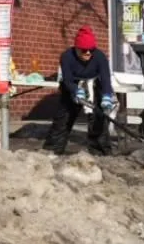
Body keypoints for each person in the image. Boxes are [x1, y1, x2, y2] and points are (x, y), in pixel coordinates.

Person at [44, 25, 115, 157]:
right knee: (63, 118)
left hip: (94, 85)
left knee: (98, 119)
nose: (88, 53)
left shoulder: (100, 57)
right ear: (76, 48)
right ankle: (52, 150)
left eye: (91, 50)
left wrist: (106, 96)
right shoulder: (67, 56)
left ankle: (100, 152)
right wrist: (75, 91)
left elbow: (105, 78)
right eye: (84, 50)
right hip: (73, 85)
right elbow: (67, 78)